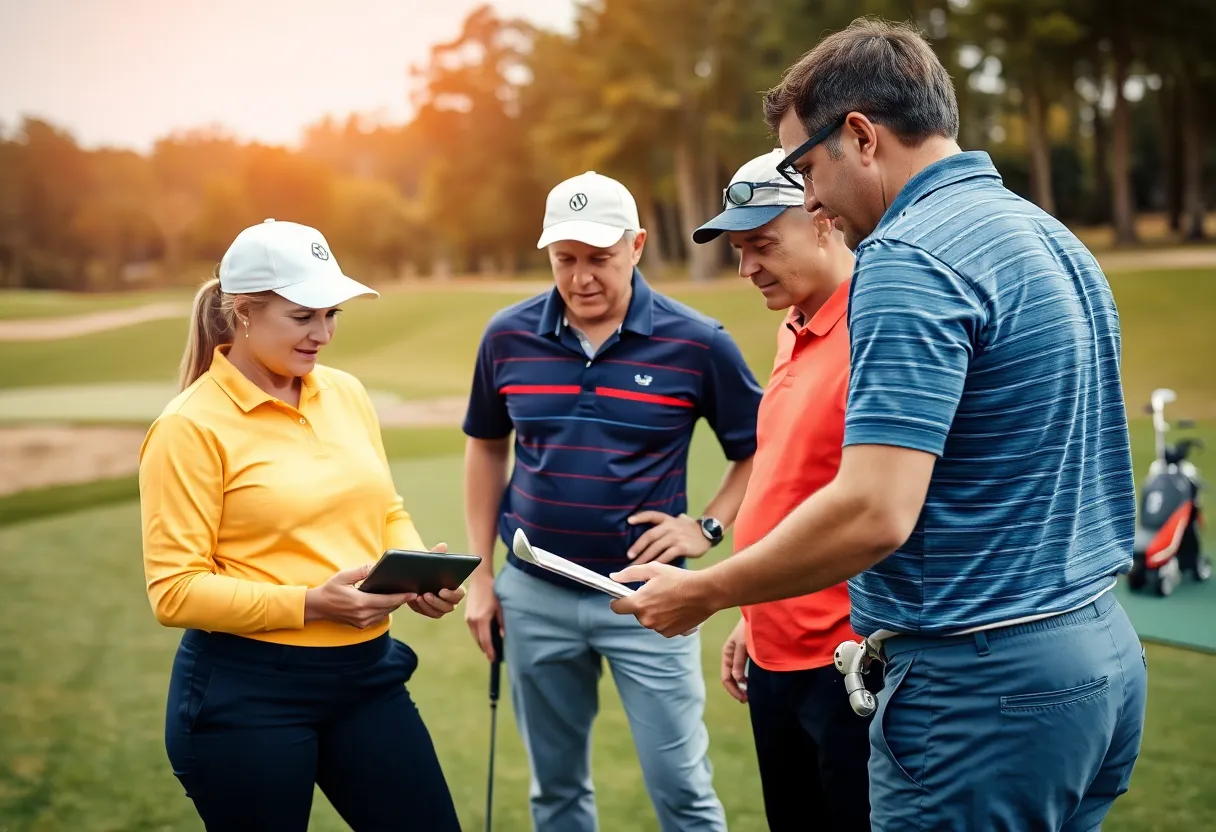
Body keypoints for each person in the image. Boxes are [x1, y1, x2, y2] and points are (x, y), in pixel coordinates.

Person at [610, 18, 1148, 832]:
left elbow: (874, 509)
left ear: (860, 135)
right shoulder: (1050, 234)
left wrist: (710, 590)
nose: (813, 197)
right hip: (1100, 652)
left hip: (982, 685)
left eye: (807, 167)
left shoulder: (907, 255)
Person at [138, 218, 465, 832]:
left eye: (332, 314)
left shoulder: (345, 393)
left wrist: (417, 567)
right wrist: (312, 603)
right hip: (246, 696)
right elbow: (174, 590)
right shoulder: (188, 427)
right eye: (302, 317)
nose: (323, 334)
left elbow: (385, 508)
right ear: (242, 312)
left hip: (368, 677)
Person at [461, 170, 762, 831]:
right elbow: (486, 447)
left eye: (599, 258)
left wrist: (707, 527)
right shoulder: (507, 337)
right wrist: (482, 579)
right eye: (565, 260)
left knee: (682, 789)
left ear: (637, 245)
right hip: (533, 594)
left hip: (651, 599)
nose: (581, 278)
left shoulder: (698, 342)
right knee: (556, 793)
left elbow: (761, 444)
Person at [693, 149, 874, 831]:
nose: (747, 269)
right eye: (739, 251)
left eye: (762, 244)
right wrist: (751, 612)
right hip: (774, 652)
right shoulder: (792, 325)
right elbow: (792, 477)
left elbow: (872, 507)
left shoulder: (875, 330)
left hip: (847, 662)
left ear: (823, 218)